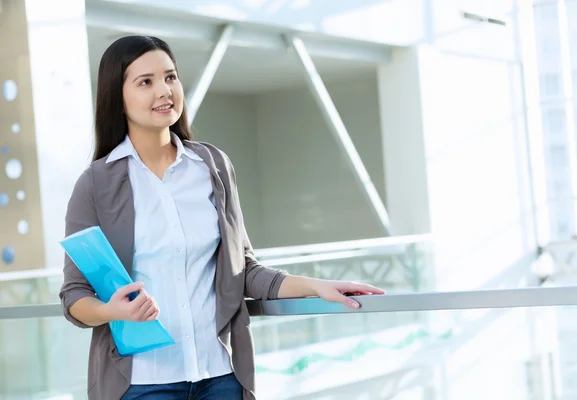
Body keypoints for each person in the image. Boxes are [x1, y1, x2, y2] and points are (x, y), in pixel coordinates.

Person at [59, 35, 385, 400]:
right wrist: (110, 310)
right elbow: (74, 296)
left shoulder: (212, 166)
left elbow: (241, 271)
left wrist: (318, 287)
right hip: (142, 382)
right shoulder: (95, 185)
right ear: (117, 97)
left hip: (220, 376)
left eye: (170, 77)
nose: (164, 91)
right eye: (145, 82)